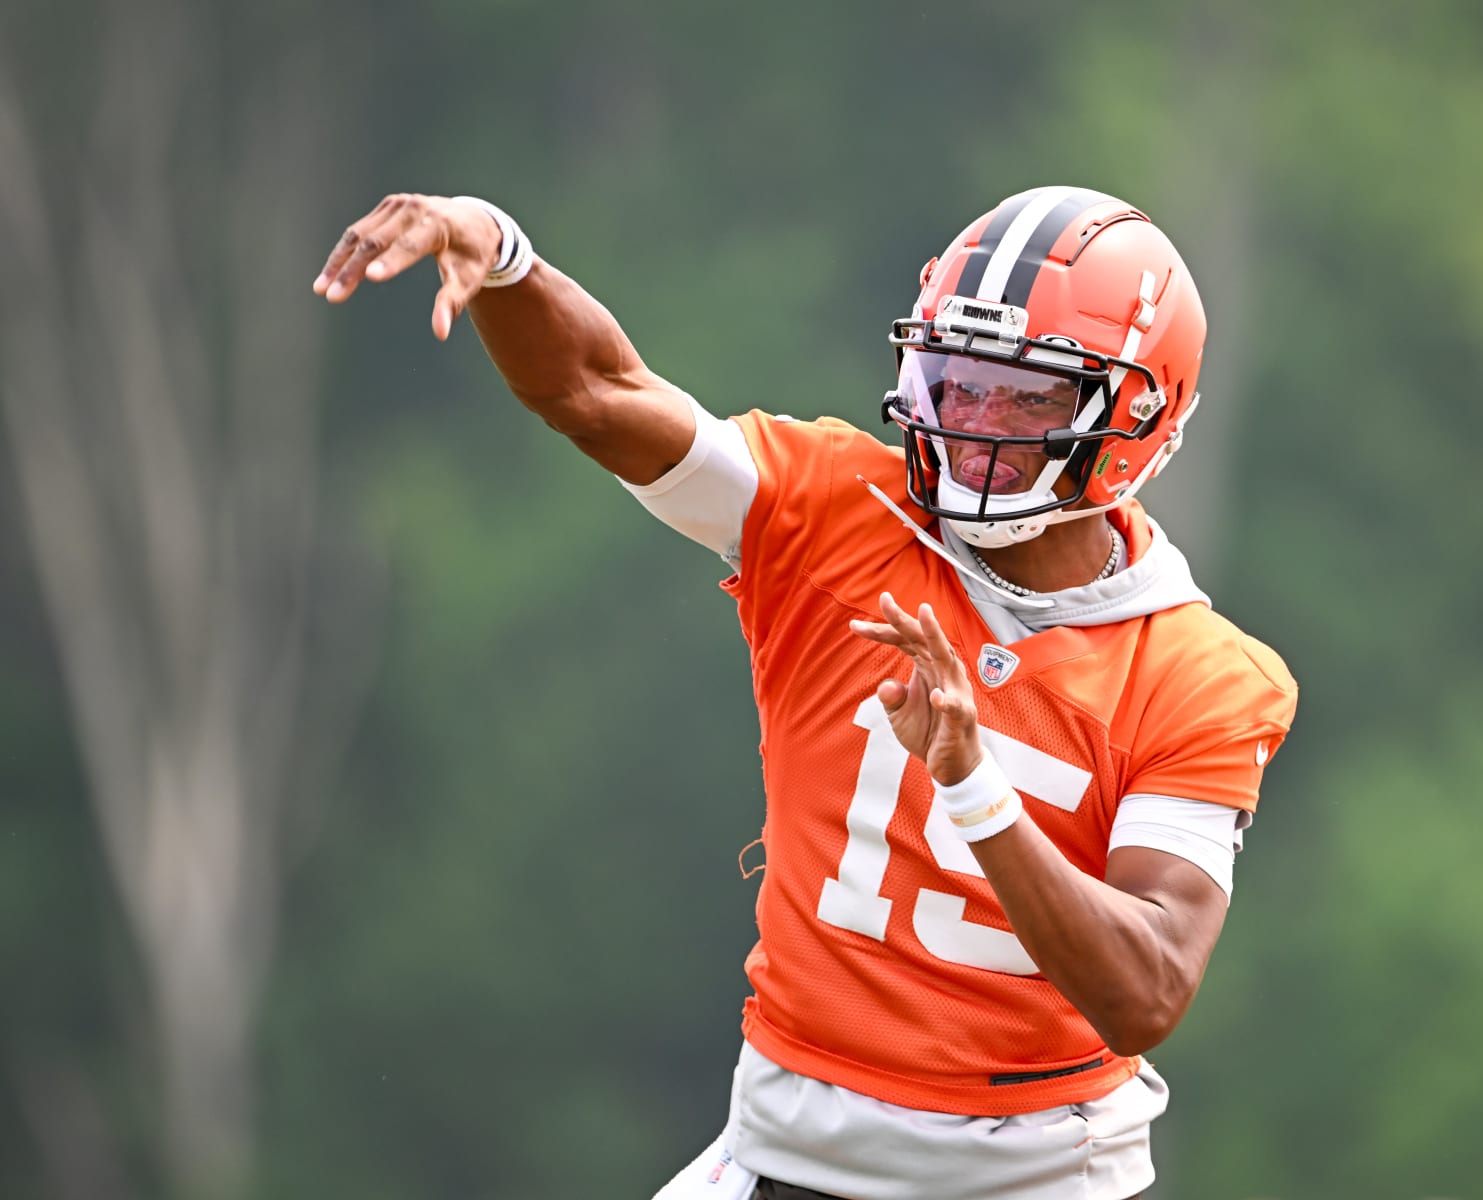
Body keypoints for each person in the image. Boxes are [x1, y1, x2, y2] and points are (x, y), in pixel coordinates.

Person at [313, 185, 1298, 1200]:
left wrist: (973, 788)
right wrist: (508, 256)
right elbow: (598, 392)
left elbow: (1145, 990)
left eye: (1027, 395)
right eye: (957, 384)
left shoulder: (1200, 675)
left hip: (1033, 1177)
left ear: (1136, 412)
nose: (974, 427)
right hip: (787, 1146)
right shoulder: (837, 512)